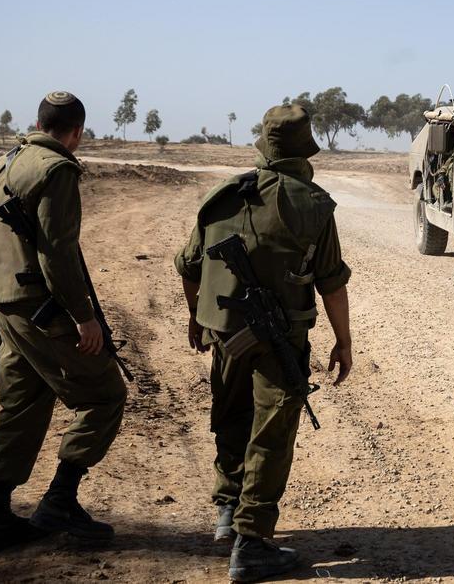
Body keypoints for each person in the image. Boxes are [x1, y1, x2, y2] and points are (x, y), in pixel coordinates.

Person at [175, 103, 353, 582]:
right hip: (280, 339)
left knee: (231, 418)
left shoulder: (223, 196)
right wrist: (344, 342)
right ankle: (252, 543)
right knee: (271, 436)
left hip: (225, 331)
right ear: (305, 148)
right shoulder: (313, 205)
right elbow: (331, 282)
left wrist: (196, 316)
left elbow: (187, 265)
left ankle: (228, 514)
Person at [0, 91, 127, 553]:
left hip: (6, 308)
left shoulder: (2, 163)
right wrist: (84, 319)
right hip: (42, 310)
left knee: (22, 405)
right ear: (76, 132)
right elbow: (56, 256)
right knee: (106, 395)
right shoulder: (56, 170)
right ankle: (60, 500)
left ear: (39, 122)